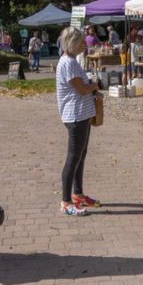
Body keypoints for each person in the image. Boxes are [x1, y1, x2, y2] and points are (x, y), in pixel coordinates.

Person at [55, 27, 101, 217]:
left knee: (80, 155)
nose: (85, 44)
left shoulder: (72, 61)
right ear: (73, 43)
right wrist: (95, 84)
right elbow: (82, 89)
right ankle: (66, 201)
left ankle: (78, 194)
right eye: (82, 42)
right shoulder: (68, 63)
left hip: (81, 114)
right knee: (73, 157)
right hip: (75, 115)